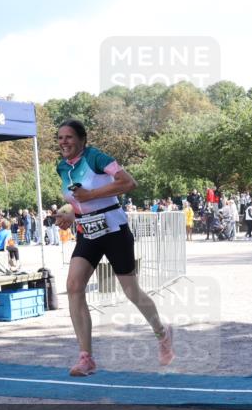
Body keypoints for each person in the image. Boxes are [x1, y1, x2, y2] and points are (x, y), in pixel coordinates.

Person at [54, 119, 173, 376]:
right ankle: (86, 358)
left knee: (131, 291)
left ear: (82, 140)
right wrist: (68, 215)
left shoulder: (96, 157)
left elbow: (129, 183)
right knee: (74, 286)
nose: (64, 142)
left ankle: (162, 333)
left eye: (69, 137)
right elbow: (76, 202)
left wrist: (90, 196)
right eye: (60, 137)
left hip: (115, 230)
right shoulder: (62, 167)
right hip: (88, 232)